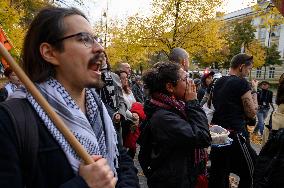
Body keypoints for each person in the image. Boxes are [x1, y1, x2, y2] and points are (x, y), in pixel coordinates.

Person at [0, 7, 139, 188]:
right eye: (84, 39)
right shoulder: (11, 121)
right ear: (49, 53)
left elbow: (123, 163)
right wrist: (83, 184)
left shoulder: (98, 109)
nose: (100, 48)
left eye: (95, 39)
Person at [141, 62, 211, 188]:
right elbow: (202, 137)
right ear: (170, 87)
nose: (191, 83)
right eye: (185, 79)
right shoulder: (163, 117)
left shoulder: (175, 106)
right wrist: (193, 103)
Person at [209, 53, 258, 188]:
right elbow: (252, 113)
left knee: (219, 172)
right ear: (242, 67)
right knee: (252, 169)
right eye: (249, 69)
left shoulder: (217, 81)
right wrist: (254, 91)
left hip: (219, 135)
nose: (249, 72)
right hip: (237, 135)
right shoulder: (241, 83)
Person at [262, 73, 284, 146]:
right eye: (263, 84)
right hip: (262, 109)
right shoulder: (260, 92)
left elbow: (264, 147)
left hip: (268, 111)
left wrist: (273, 108)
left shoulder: (270, 92)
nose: (264, 86)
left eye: (266, 84)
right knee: (260, 123)